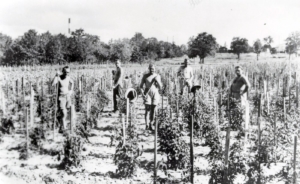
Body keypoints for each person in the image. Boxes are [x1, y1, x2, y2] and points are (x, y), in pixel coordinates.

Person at [140, 64, 163, 131]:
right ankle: (146, 125)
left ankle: (151, 124)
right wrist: (142, 94)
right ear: (149, 69)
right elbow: (141, 86)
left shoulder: (157, 76)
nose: (152, 70)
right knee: (147, 110)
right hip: (147, 93)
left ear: (155, 69)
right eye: (151, 68)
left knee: (153, 109)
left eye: (153, 69)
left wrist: (157, 81)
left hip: (155, 93)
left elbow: (160, 87)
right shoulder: (145, 76)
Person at [52, 66, 74, 133]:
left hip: (67, 96)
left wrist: (71, 90)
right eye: (66, 72)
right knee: (64, 112)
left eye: (68, 72)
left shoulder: (68, 77)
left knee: (67, 111)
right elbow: (53, 84)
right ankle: (63, 128)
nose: (67, 73)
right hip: (61, 97)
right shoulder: (59, 78)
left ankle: (61, 123)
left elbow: (72, 82)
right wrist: (56, 76)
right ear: (63, 71)